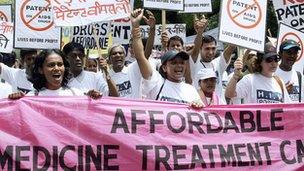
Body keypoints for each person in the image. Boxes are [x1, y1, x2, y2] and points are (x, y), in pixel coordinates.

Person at [131, 9, 202, 107]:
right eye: (174, 63)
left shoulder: (191, 90)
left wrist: (198, 106)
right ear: (164, 67)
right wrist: (135, 27)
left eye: (182, 63)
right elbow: (140, 57)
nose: (179, 66)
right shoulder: (156, 83)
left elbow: (201, 114)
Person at [8, 49, 101, 99]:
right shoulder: (31, 98)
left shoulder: (76, 95)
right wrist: (15, 101)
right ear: (41, 70)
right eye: (51, 65)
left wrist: (92, 98)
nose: (57, 68)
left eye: (60, 64)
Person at [225, 44, 291, 104]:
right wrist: (235, 76)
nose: (273, 63)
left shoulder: (279, 82)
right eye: (269, 59)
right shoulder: (249, 79)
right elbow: (229, 94)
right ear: (260, 62)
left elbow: (288, 106)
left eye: (276, 59)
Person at [190, 34, 236, 103]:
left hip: (219, 108)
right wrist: (200, 31)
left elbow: (230, 49)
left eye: (213, 48)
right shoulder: (193, 64)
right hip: (200, 108)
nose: (211, 52)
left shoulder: (218, 63)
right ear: (200, 49)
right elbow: (194, 51)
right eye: (207, 49)